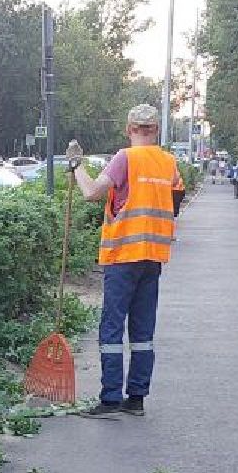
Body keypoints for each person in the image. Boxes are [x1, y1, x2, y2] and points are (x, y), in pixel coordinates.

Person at [70, 103, 186, 418]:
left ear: (128, 129)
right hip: (153, 256)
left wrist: (77, 166)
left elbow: (92, 193)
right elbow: (173, 205)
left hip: (123, 254)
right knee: (142, 329)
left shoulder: (126, 158)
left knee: (111, 327)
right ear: (156, 131)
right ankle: (136, 397)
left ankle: (110, 398)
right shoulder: (169, 163)